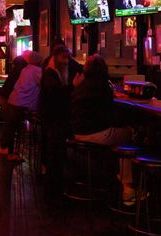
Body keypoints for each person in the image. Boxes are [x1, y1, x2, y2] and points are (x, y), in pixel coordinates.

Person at [70, 54, 134, 201]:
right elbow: (109, 115)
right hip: (95, 133)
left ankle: (113, 176)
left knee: (119, 137)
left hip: (78, 133)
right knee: (129, 134)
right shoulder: (102, 87)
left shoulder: (80, 86)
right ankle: (127, 187)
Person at [39, 45, 74, 197]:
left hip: (53, 117)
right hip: (52, 117)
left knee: (54, 148)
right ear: (56, 57)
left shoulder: (57, 72)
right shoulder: (50, 73)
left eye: (67, 58)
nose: (66, 61)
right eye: (64, 57)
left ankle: (53, 180)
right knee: (53, 148)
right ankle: (52, 184)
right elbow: (54, 95)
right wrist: (73, 87)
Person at [0, 50, 42, 161]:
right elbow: (44, 84)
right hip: (22, 104)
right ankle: (10, 153)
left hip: (13, 100)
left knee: (10, 127)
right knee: (12, 128)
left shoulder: (25, 69)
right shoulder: (37, 71)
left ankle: (5, 149)